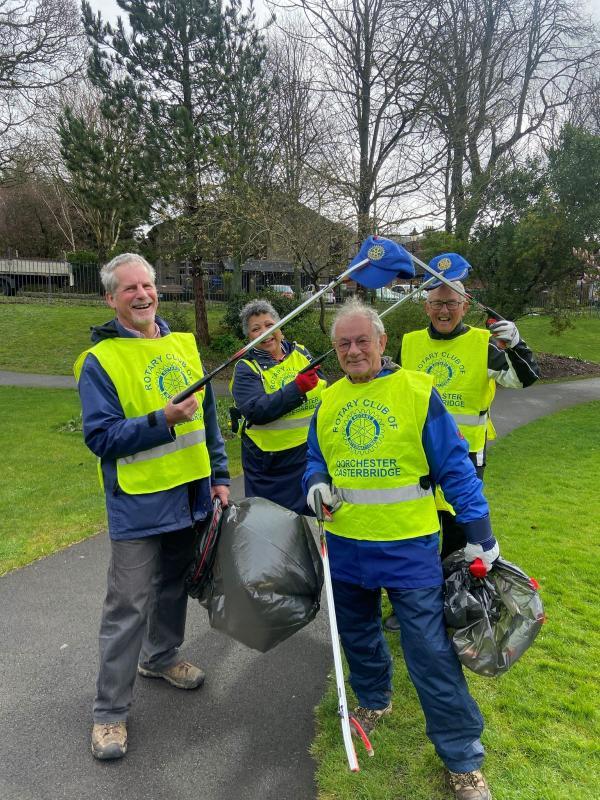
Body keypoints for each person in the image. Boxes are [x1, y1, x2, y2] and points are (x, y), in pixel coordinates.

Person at [303, 298, 498, 800]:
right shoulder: (328, 400)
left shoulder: (416, 391)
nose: (353, 351)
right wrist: (316, 482)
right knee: (357, 634)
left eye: (361, 341)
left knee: (430, 651)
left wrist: (480, 533)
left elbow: (455, 467)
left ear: (382, 342)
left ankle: (462, 760)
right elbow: (316, 458)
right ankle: (373, 698)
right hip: (346, 546)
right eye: (343, 344)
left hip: (408, 547)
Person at [74, 253, 230, 761]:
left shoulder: (183, 345)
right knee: (127, 607)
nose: (142, 295)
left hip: (190, 496)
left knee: (173, 587)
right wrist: (160, 420)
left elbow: (208, 420)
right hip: (138, 504)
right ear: (110, 299)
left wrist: (220, 476)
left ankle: (160, 657)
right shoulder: (100, 361)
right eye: (129, 289)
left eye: (148, 285)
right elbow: (100, 437)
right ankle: (109, 713)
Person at [399, 267, 539, 561]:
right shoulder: (410, 342)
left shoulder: (483, 344)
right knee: (419, 532)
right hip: (418, 456)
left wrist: (517, 345)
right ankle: (423, 589)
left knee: (458, 535)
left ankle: (455, 588)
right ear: (427, 307)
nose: (444, 310)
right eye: (437, 303)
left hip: (466, 456)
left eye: (452, 303)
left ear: (465, 306)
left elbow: (524, 378)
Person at [230, 298, 326, 514]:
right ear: (249, 337)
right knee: (272, 523)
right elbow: (256, 410)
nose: (264, 333)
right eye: (256, 329)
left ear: (280, 327)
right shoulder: (246, 368)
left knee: (312, 519)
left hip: (308, 454)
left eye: (269, 325)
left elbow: (323, 389)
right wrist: (297, 388)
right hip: (270, 466)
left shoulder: (301, 352)